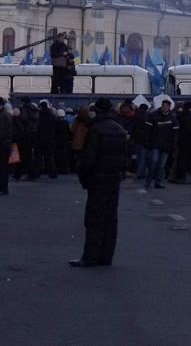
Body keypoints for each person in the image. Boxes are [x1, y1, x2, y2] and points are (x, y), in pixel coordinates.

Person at [72, 98, 128, 268]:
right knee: (111, 218)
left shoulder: (95, 129)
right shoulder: (119, 129)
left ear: (96, 110)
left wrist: (84, 176)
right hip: (114, 178)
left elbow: (89, 158)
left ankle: (90, 257)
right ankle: (106, 256)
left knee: (94, 218)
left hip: (97, 179)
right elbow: (125, 158)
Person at [144, 99, 177, 189]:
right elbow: (147, 130)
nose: (164, 107)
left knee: (161, 165)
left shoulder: (172, 117)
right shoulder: (153, 115)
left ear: (169, 107)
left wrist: (174, 144)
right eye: (163, 105)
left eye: (166, 106)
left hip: (166, 145)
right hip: (155, 144)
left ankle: (157, 182)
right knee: (154, 162)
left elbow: (175, 132)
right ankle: (148, 181)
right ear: (161, 106)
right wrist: (147, 142)